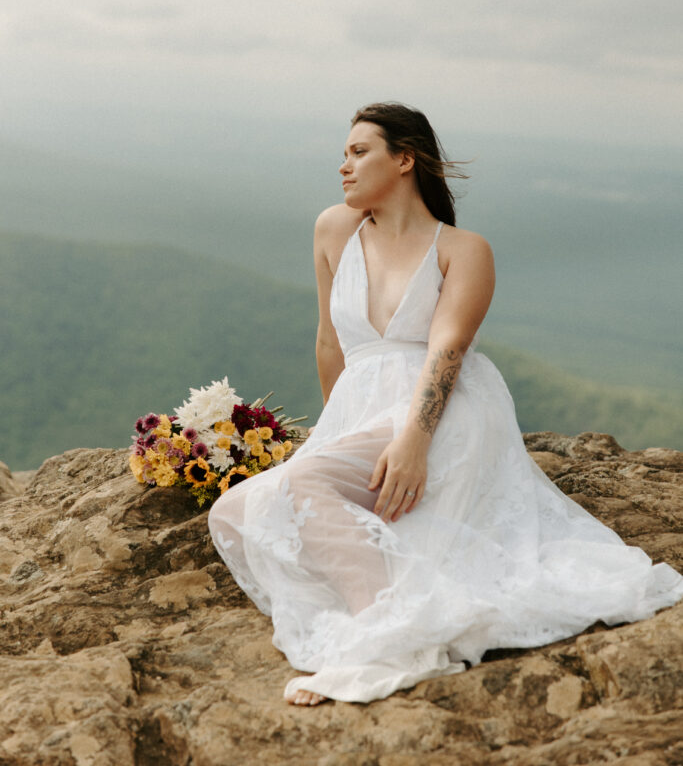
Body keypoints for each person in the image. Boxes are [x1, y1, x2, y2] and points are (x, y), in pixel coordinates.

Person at [208, 101, 683, 707]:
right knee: (235, 512)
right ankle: (387, 598)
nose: (343, 167)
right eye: (344, 155)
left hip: (443, 412)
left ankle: (392, 632)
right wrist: (331, 438)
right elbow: (330, 342)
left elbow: (449, 350)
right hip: (365, 411)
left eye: (359, 153)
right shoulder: (334, 229)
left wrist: (414, 439)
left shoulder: (464, 248)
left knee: (301, 490)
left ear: (404, 159)